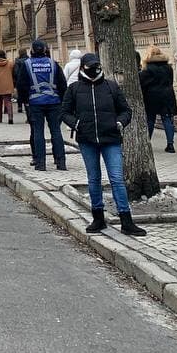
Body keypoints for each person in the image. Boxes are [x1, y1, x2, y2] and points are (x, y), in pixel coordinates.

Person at [62, 53, 146, 237]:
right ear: (83, 68)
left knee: (116, 179)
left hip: (111, 139)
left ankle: (126, 220)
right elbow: (65, 112)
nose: (94, 69)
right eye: (90, 66)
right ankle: (98, 217)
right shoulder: (75, 89)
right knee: (94, 179)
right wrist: (77, 125)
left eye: (96, 65)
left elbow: (126, 110)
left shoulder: (111, 86)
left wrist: (119, 123)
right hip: (87, 140)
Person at [16, 38, 67, 172]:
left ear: (31, 50)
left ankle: (40, 163)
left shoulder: (26, 64)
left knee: (37, 132)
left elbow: (21, 85)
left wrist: (24, 101)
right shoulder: (53, 64)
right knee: (56, 131)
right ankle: (61, 162)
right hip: (54, 102)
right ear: (46, 50)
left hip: (34, 103)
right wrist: (62, 101)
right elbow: (62, 84)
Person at [139, 44, 177, 152]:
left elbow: (142, 82)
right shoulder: (168, 67)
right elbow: (170, 81)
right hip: (167, 95)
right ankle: (170, 144)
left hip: (152, 96)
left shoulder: (147, 69)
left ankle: (148, 143)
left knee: (150, 119)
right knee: (167, 119)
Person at [12, 47, 29, 119]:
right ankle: (28, 113)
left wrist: (15, 81)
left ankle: (19, 107)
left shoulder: (17, 61)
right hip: (28, 81)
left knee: (19, 94)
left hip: (20, 81)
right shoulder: (29, 60)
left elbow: (15, 72)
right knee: (27, 98)